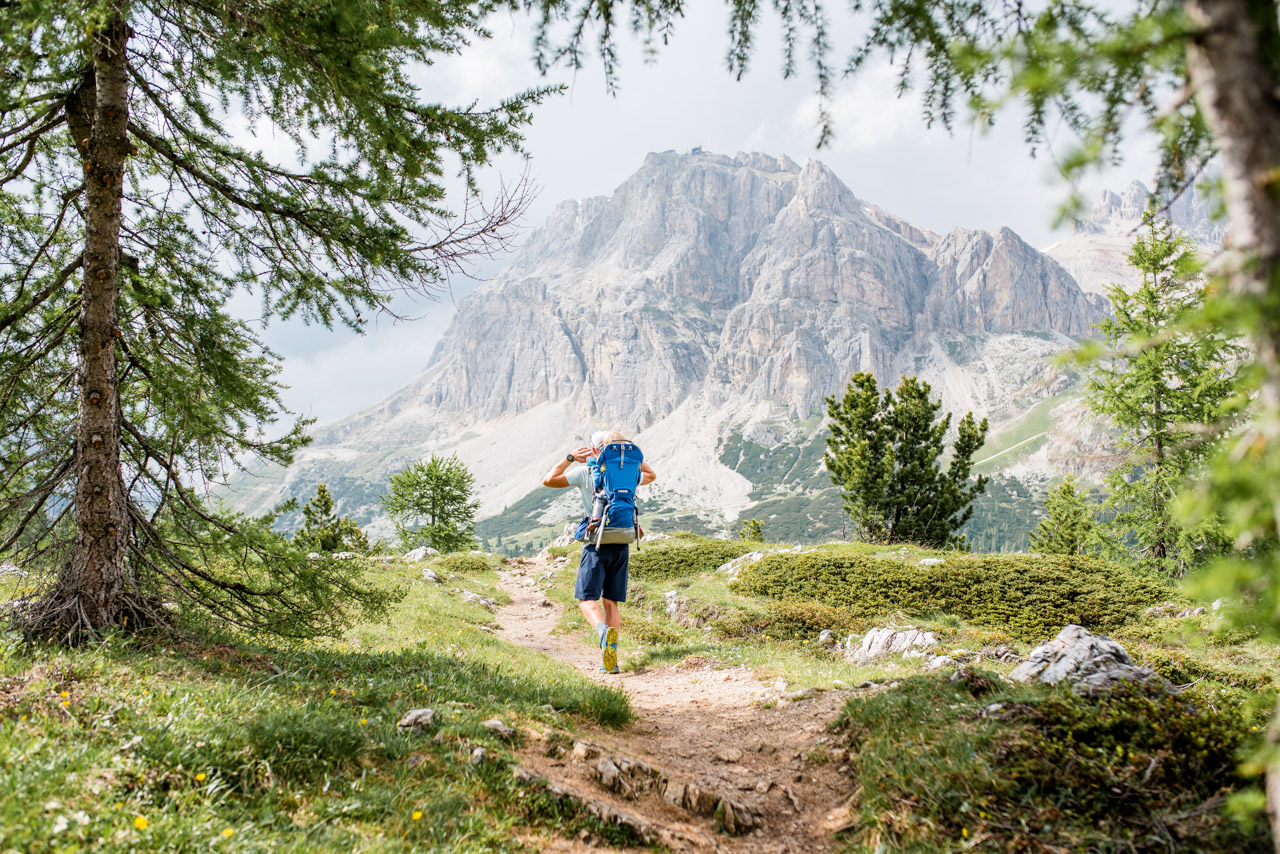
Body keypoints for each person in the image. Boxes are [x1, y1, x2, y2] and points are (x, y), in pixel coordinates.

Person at [542, 430, 656, 673]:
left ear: (594, 450)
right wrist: (631, 457)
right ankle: (611, 658)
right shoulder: (632, 473)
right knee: (611, 602)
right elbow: (651, 474)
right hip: (622, 541)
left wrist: (570, 458)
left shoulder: (587, 472)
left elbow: (549, 479)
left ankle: (603, 632)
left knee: (587, 599)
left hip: (596, 544)